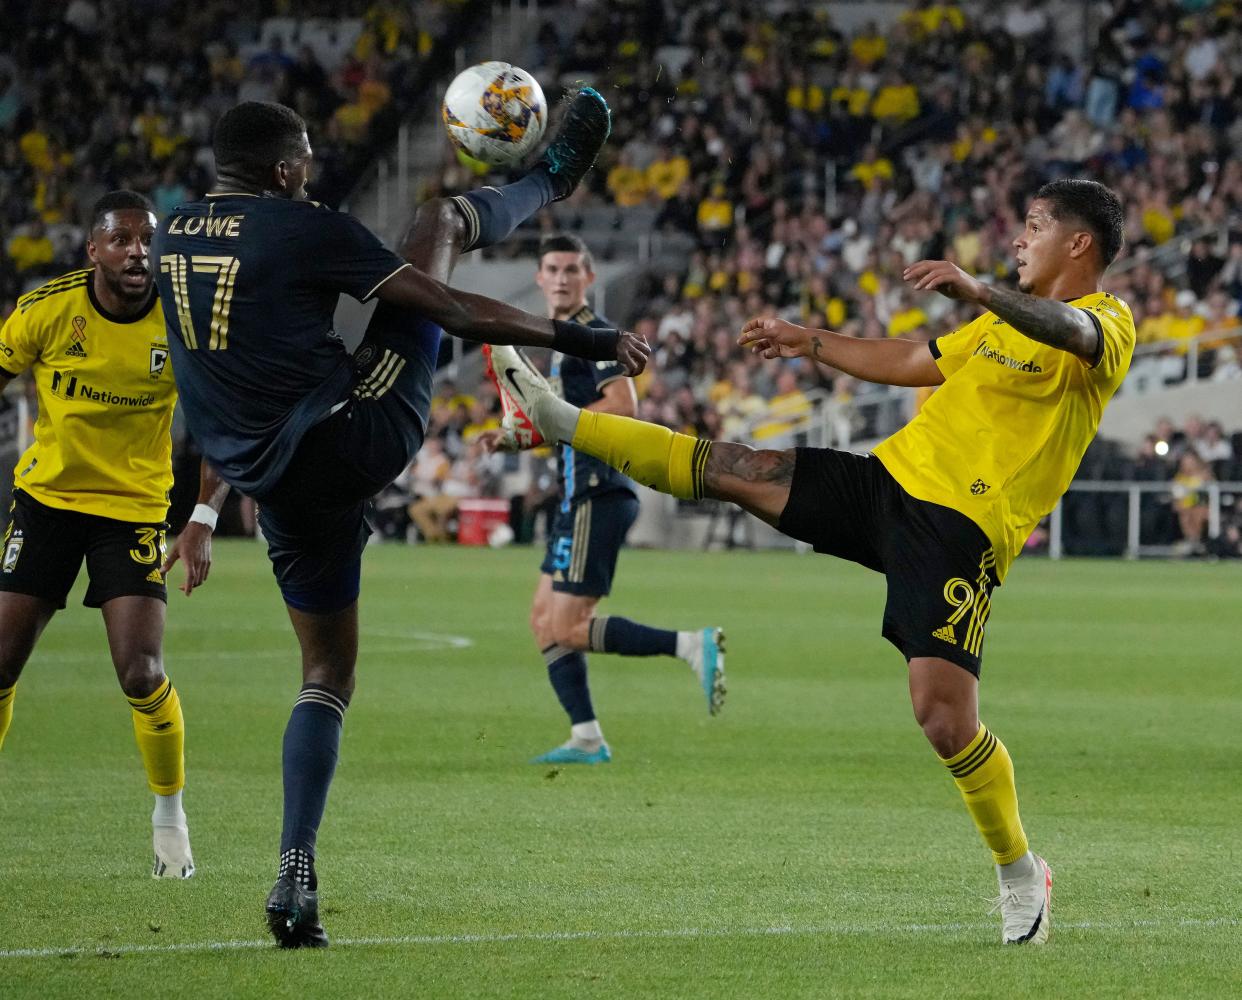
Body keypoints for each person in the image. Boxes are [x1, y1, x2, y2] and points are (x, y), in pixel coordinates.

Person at [493, 179, 1135, 946]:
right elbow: (911, 359)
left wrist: (978, 288)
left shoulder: (1106, 322)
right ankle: (558, 418)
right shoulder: (991, 332)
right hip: (888, 482)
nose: (1019, 240)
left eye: (1034, 228)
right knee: (742, 469)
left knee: (942, 719)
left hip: (961, 531)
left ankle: (1019, 868)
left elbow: (1074, 333)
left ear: (1080, 243)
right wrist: (813, 343)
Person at [151, 96, 647, 948]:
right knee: (439, 220)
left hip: (268, 482)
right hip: (359, 432)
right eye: (304, 154)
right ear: (282, 170)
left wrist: (203, 511)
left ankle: (297, 868)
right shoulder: (301, 227)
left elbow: (223, 384)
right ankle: (550, 180)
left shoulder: (171, 239)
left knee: (325, 677)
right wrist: (579, 341)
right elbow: (451, 310)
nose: (310, 168)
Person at [0, 191, 227, 880]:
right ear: (93, 249)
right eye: (121, 239)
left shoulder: (182, 319)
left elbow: (222, 426)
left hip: (130, 510)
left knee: (142, 671)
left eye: (146, 239)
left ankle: (170, 820)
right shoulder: (46, 310)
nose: (137, 252)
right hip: (45, 503)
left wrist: (203, 519)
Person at [481, 235, 724, 767]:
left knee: (568, 625)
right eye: (553, 269)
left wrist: (546, 411)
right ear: (539, 277)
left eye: (572, 269)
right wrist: (515, 435)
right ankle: (587, 735)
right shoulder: (566, 340)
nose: (563, 278)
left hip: (599, 491)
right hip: (578, 495)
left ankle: (690, 645)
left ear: (589, 278)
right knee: (544, 620)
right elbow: (566, 422)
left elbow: (621, 405)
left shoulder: (594, 336)